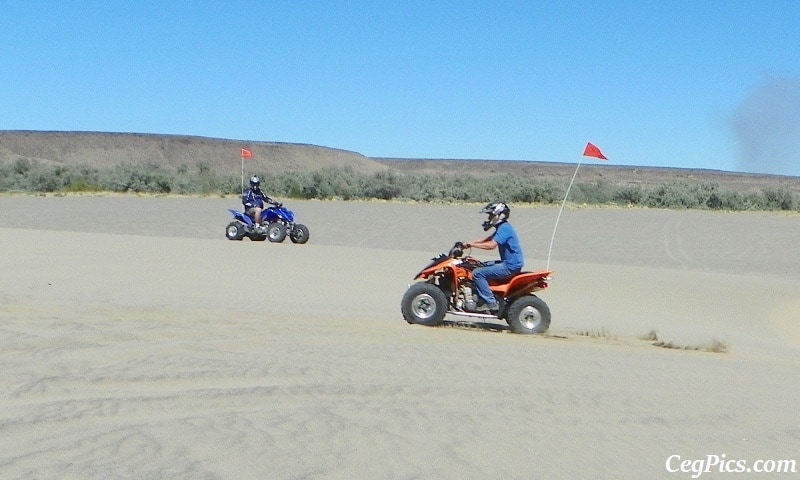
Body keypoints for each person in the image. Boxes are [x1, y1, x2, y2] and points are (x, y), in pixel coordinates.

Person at [465, 201, 524, 312]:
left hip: (510, 266)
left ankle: (490, 302)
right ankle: (478, 295)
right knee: (478, 265)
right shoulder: (503, 228)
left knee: (477, 273)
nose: (489, 217)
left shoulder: (505, 228)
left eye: (491, 215)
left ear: (499, 215)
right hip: (509, 263)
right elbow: (486, 240)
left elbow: (491, 245)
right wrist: (466, 244)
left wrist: (472, 245)